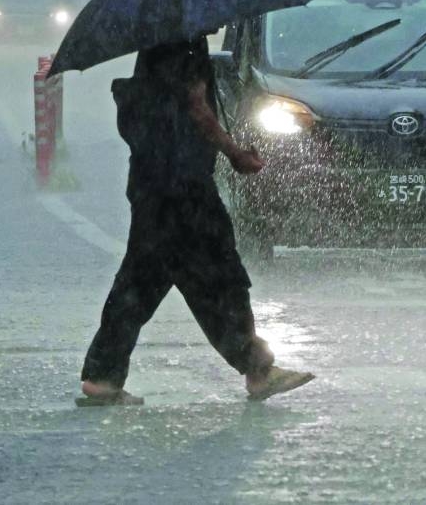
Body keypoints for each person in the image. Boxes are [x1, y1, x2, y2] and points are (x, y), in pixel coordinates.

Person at [78, 37, 313, 405]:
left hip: (149, 185)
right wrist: (236, 153)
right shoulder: (185, 46)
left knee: (141, 281)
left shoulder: (156, 44)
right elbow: (198, 109)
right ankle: (258, 370)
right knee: (223, 276)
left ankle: (102, 375)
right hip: (185, 189)